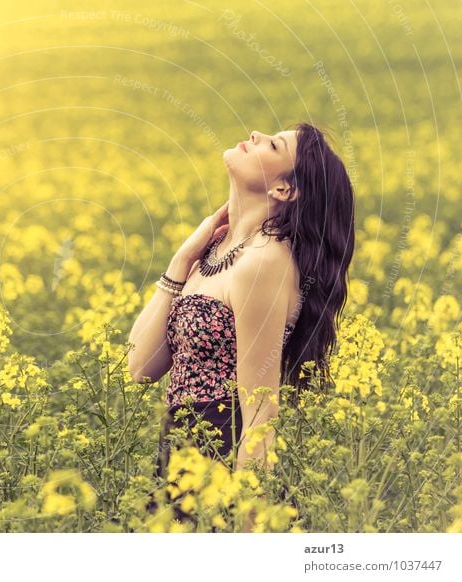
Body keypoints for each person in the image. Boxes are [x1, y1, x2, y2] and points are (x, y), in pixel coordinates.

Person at [128, 123, 356, 531]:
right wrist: (181, 261)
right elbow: (140, 367)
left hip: (221, 460)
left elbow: (259, 410)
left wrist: (247, 526)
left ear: (284, 190)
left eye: (272, 144)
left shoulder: (263, 263)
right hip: (178, 457)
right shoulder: (213, 253)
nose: (253, 134)